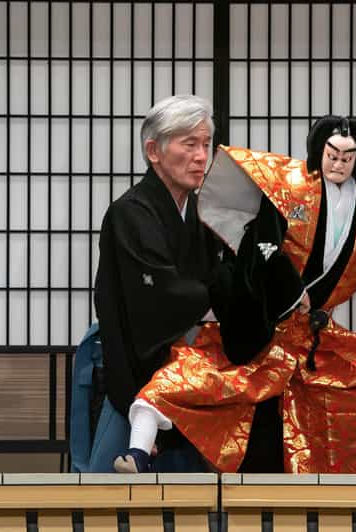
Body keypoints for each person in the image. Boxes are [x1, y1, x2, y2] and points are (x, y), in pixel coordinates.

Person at [114, 115, 356, 474]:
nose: (338, 163)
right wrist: (288, 293)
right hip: (268, 323)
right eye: (331, 154)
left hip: (315, 335)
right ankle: (139, 451)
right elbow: (264, 248)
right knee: (194, 378)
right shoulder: (290, 189)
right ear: (317, 152)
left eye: (348, 157)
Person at [89, 94, 224, 472]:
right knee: (109, 503)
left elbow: (221, 275)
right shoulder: (130, 213)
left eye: (206, 145)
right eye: (189, 144)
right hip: (139, 373)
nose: (201, 156)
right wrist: (220, 299)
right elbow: (159, 295)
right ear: (154, 150)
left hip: (192, 380)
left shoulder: (202, 213)